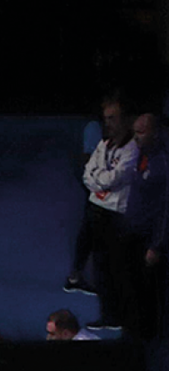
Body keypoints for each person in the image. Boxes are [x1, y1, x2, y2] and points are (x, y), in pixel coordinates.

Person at [72, 99, 135, 331]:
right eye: (105, 118)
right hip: (97, 210)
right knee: (100, 267)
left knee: (117, 267)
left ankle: (123, 316)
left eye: (113, 118)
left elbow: (115, 178)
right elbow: (88, 174)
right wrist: (100, 181)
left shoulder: (132, 149)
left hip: (117, 215)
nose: (108, 123)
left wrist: (100, 180)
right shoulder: (104, 144)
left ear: (125, 119)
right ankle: (107, 315)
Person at [117, 112, 166, 340]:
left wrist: (157, 245)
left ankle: (148, 338)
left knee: (148, 293)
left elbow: (166, 209)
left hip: (149, 240)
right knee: (131, 286)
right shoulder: (140, 154)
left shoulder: (162, 163)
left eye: (141, 132)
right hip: (132, 233)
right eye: (134, 132)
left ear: (155, 132)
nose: (135, 137)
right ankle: (132, 329)